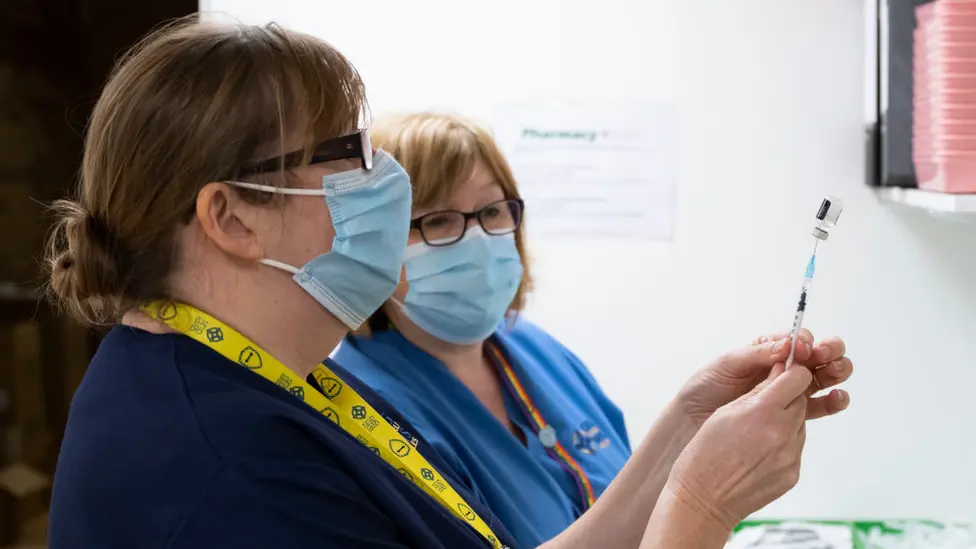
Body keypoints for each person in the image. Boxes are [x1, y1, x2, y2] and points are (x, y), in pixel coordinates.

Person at [45, 16, 843, 549]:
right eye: (345, 154)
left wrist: (685, 428)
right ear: (232, 218)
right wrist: (701, 505)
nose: (382, 181)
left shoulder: (260, 388)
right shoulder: (231, 474)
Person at [335, 112, 855, 548]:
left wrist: (693, 416)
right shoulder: (364, 412)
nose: (478, 239)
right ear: (376, 242)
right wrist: (703, 499)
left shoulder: (533, 350)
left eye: (493, 211)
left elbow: (615, 514)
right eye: (439, 220)